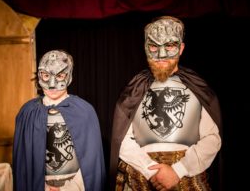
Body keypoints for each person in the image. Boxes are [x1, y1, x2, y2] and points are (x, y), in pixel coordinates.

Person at [109, 16, 222, 191]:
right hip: (140, 177)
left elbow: (212, 138)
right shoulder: (134, 89)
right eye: (154, 46)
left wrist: (178, 170)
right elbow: (121, 140)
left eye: (169, 46)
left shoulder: (198, 88)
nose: (161, 55)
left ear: (181, 48)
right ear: (145, 48)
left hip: (187, 180)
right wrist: (151, 171)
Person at [12, 50, 106, 191]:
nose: (52, 84)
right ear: (39, 76)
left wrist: (69, 188)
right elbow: (23, 162)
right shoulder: (28, 112)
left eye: (60, 75)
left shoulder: (84, 111)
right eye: (46, 75)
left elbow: (91, 161)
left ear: (68, 76)